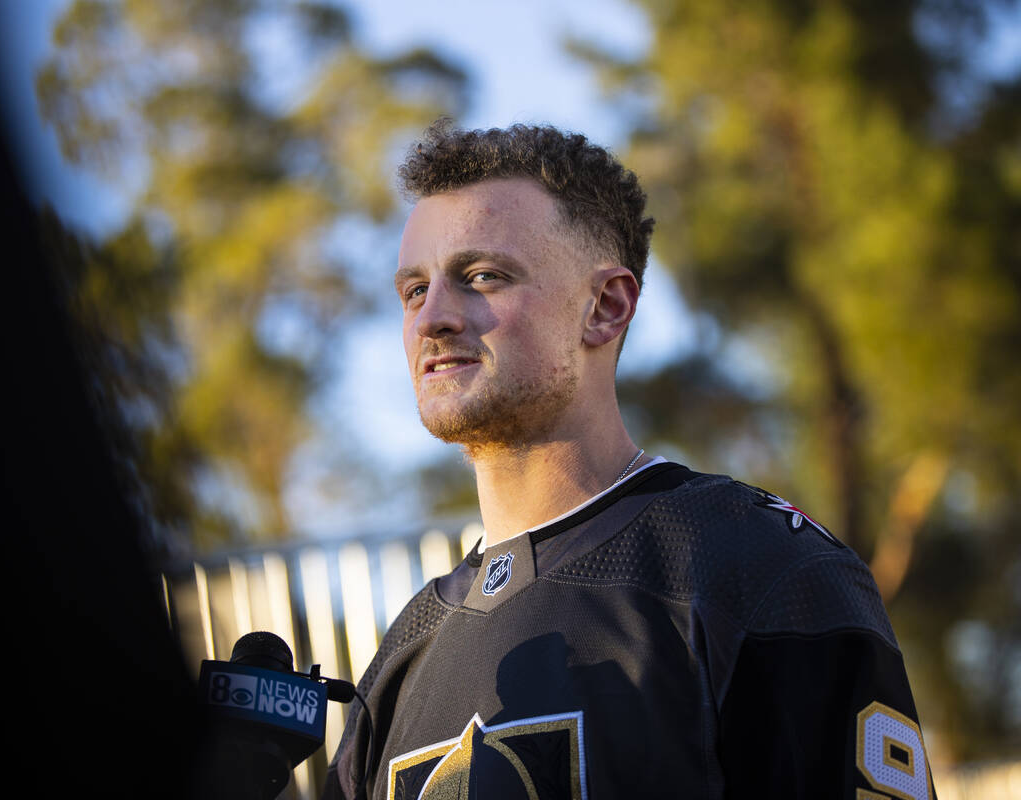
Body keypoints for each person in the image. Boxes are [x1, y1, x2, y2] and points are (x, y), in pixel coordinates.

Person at [322, 122, 934, 800]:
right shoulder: (405, 651)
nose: (431, 317)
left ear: (606, 307)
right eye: (413, 289)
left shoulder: (756, 569)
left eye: (481, 276)